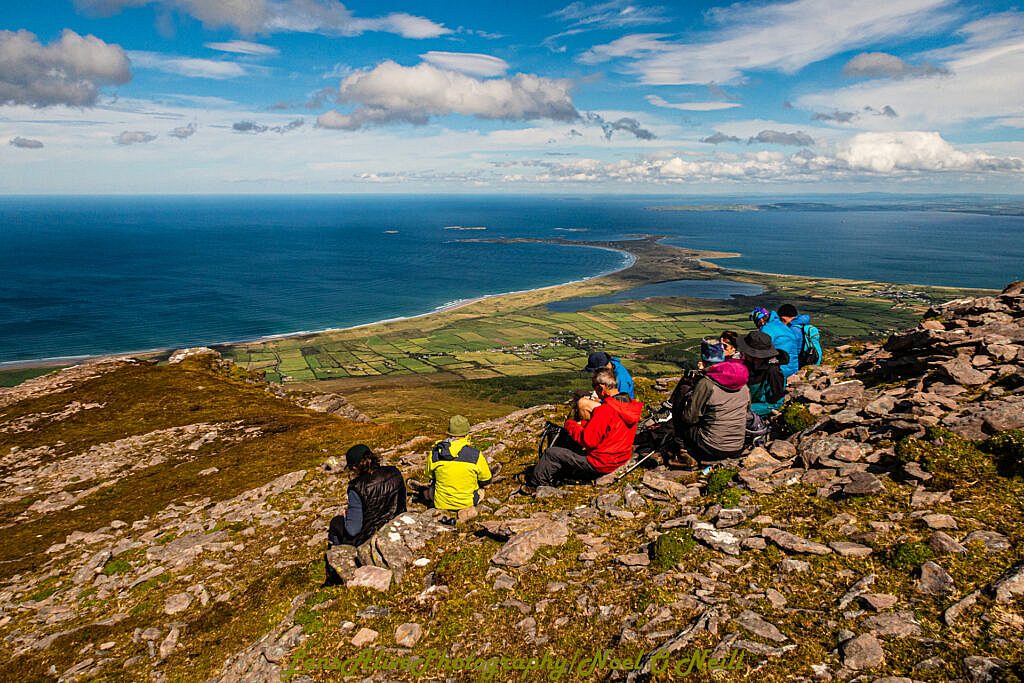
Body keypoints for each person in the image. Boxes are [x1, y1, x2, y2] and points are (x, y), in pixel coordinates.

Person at [525, 368, 643, 490]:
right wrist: (585, 424)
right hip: (620, 457)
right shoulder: (630, 405)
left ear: (601, 388)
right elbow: (611, 429)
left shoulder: (605, 410)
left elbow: (588, 441)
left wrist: (571, 425)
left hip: (601, 463)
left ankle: (535, 486)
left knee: (551, 454)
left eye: (595, 387)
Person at [673, 338, 750, 462]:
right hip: (737, 446)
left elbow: (689, 418)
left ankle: (681, 447)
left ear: (704, 360)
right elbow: (747, 411)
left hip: (711, 447)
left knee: (683, 391)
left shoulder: (707, 383)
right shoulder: (742, 383)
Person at [327, 444, 407, 548]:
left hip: (371, 537)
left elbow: (353, 530)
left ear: (354, 467)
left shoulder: (357, 487)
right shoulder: (394, 472)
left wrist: (347, 517)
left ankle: (337, 555)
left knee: (336, 522)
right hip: (398, 525)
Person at [426, 415, 493, 512]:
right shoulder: (476, 455)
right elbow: (486, 480)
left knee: (432, 487)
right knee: (482, 489)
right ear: (467, 433)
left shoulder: (435, 453)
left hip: (441, 503)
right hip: (467, 503)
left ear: (449, 433)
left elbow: (429, 475)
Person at [738, 330, 789, 416]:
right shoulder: (751, 364)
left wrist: (743, 409)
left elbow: (775, 403)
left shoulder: (773, 372)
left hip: (757, 411)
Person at [750, 307, 801, 378]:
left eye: (756, 321)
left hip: (780, 369)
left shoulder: (767, 329)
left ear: (761, 320)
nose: (756, 324)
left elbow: (760, 348)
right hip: (793, 367)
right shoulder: (780, 324)